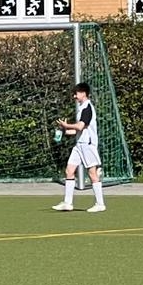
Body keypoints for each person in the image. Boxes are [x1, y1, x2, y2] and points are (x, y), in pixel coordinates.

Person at [54, 82, 106, 212]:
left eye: (76, 94)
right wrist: (64, 131)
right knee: (69, 170)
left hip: (88, 145)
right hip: (79, 145)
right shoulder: (82, 108)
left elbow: (80, 126)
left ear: (83, 93)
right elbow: (78, 131)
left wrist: (67, 126)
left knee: (92, 173)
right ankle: (67, 203)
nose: (74, 97)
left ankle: (100, 204)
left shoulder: (87, 108)